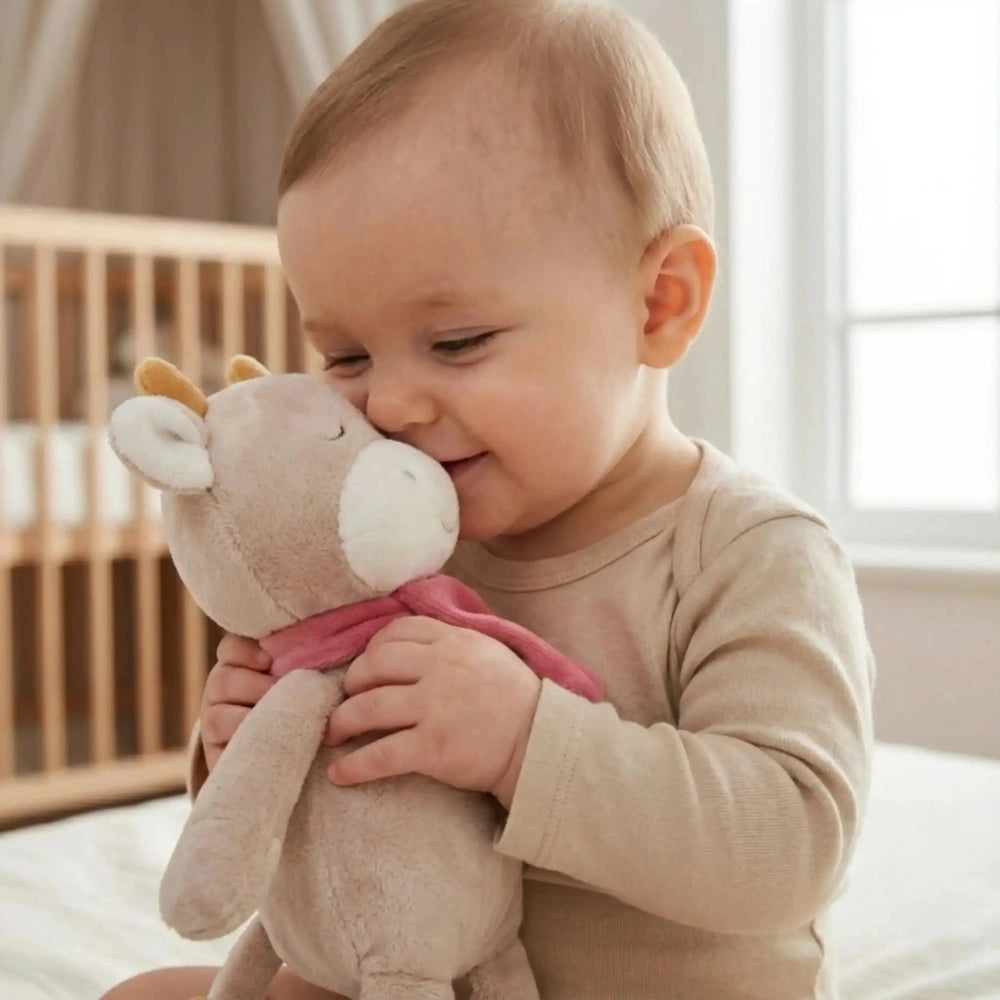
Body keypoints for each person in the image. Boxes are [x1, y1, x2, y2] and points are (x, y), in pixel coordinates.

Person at [102, 1, 874, 997]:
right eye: (346, 356)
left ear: (659, 302)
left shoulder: (750, 551)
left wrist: (524, 742)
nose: (389, 404)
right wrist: (237, 745)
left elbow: (794, 841)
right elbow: (343, 818)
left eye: (457, 342)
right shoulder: (400, 546)